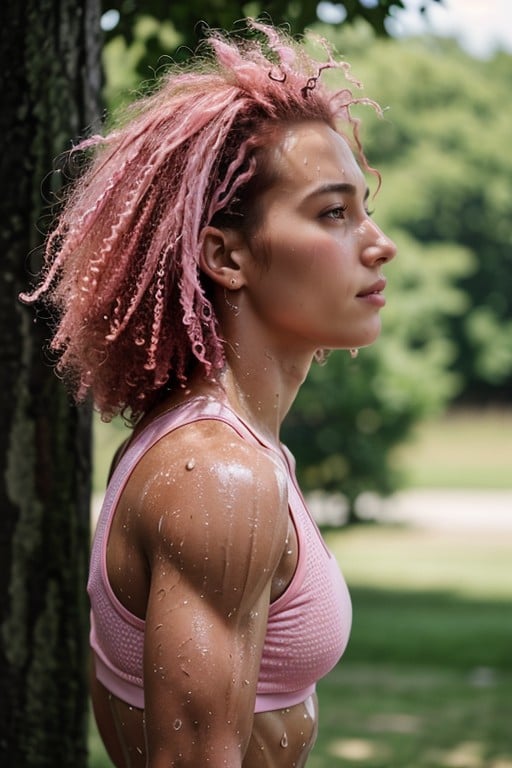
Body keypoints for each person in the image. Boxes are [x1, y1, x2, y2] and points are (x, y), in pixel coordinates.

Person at [21, 19, 396, 767]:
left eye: (365, 207)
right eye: (333, 213)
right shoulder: (217, 480)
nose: (380, 242)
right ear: (225, 255)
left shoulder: (224, 448)